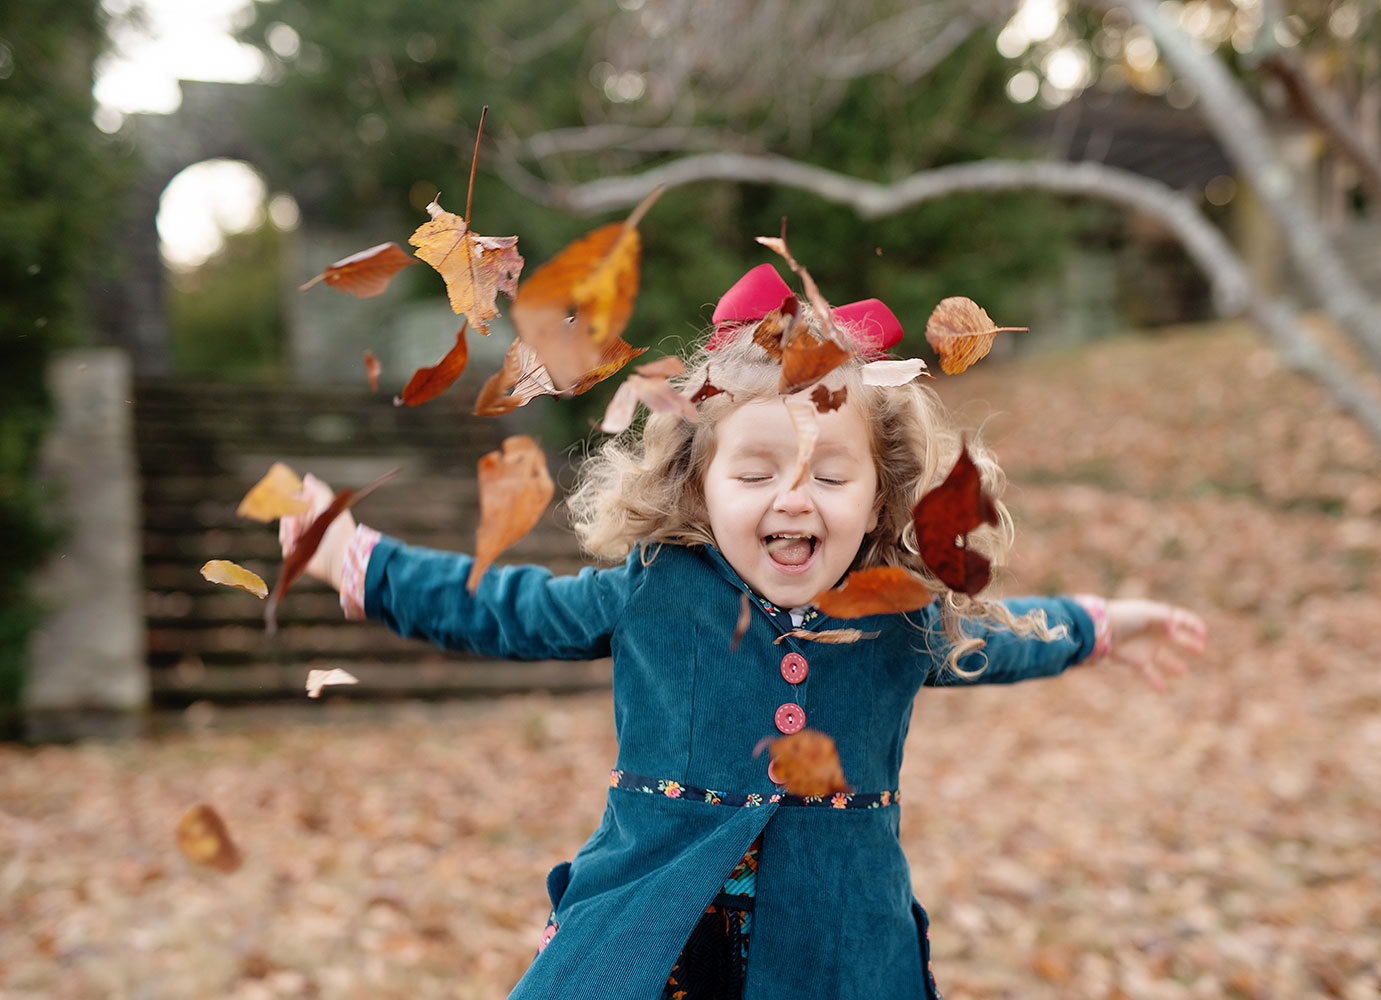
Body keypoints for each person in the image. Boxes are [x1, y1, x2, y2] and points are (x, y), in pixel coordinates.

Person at [281, 263, 1207, 1000]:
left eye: (830, 478)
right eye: (756, 471)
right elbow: (503, 608)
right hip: (662, 946)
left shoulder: (897, 610)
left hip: (839, 949)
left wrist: (1105, 625)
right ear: (698, 483)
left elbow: (1002, 638)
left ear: (883, 493)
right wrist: (356, 559)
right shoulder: (654, 591)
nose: (793, 498)